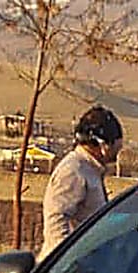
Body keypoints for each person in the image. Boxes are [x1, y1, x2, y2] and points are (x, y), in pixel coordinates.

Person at [38, 106, 124, 260]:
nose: (117, 154)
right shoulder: (74, 171)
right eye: (116, 147)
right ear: (103, 145)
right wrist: (66, 262)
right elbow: (56, 220)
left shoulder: (91, 170)